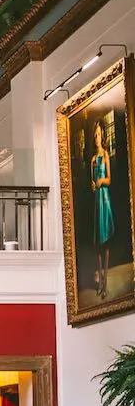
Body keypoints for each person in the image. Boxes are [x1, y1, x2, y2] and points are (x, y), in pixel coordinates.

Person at [90, 119, 114, 298]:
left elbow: (108, 179)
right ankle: (100, 277)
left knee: (105, 240)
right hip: (96, 199)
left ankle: (105, 281)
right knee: (98, 240)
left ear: (103, 135)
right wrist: (93, 184)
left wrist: (100, 182)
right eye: (95, 135)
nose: (97, 137)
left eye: (99, 134)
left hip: (104, 198)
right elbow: (91, 182)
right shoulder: (92, 159)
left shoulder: (105, 155)